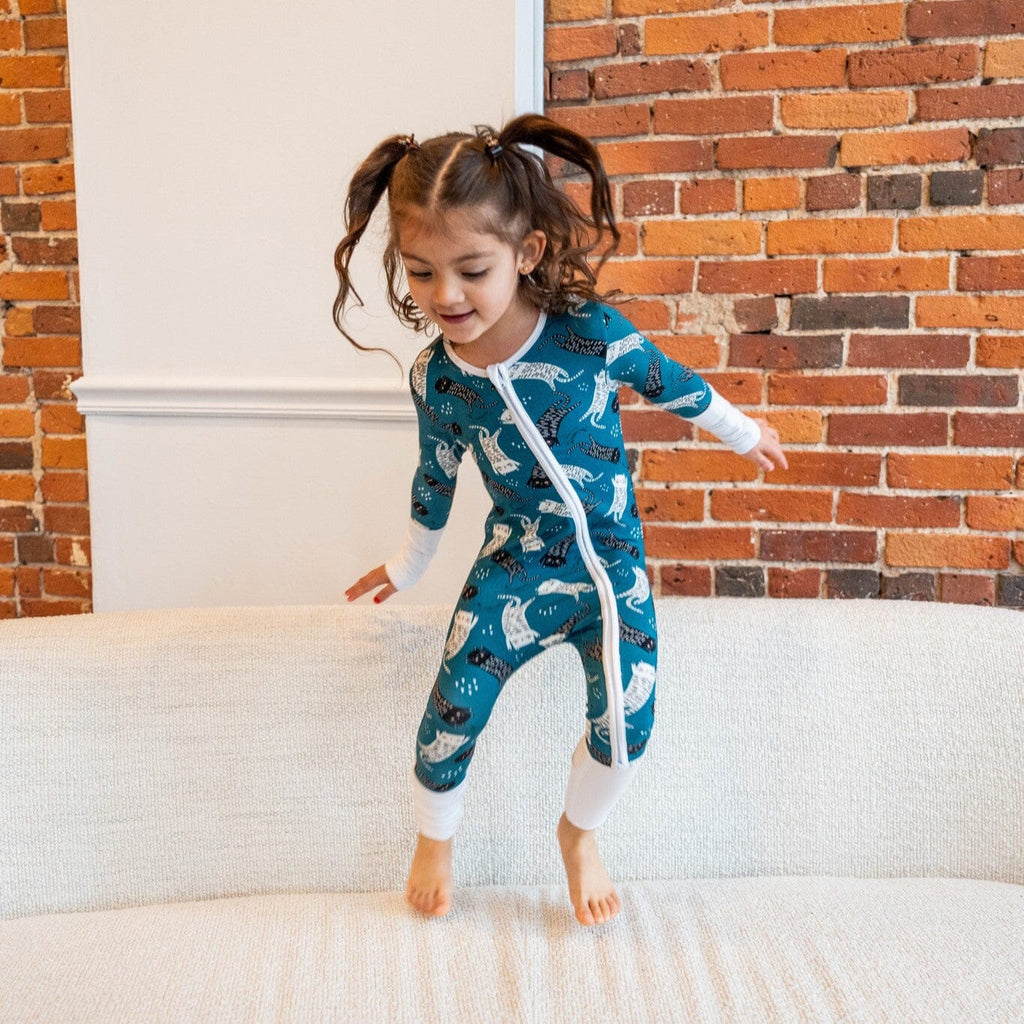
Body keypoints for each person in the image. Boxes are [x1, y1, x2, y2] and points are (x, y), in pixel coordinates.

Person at [335, 114, 787, 927]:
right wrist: (406, 565)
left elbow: (669, 381)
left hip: (611, 569)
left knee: (627, 727)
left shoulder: (586, 335)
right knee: (451, 710)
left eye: (471, 269)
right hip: (518, 565)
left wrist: (746, 432)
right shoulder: (439, 378)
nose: (445, 295)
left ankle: (578, 835)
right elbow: (435, 477)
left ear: (527, 253)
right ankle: (436, 837)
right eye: (421, 272)